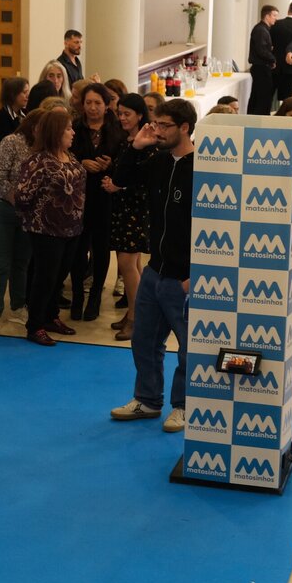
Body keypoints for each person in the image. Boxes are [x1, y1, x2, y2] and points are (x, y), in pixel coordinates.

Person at [108, 99, 196, 434]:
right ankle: (147, 400)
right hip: (154, 271)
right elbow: (121, 179)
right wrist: (136, 146)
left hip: (183, 277)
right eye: (155, 124)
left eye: (164, 125)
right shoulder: (157, 161)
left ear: (184, 127)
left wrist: (196, 275)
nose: (156, 130)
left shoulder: (203, 167)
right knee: (144, 341)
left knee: (188, 349)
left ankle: (183, 405)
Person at [15, 109, 85, 346]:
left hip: (72, 228)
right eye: (68, 128)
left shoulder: (69, 156)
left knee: (59, 277)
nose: (73, 132)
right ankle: (35, 325)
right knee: (45, 278)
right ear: (55, 132)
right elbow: (22, 196)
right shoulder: (38, 161)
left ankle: (51, 316)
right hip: (46, 230)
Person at [0, 110, 43, 335]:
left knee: (21, 262)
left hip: (27, 212)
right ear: (33, 127)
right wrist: (17, 199)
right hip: (3, 209)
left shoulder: (44, 149)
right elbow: (0, 176)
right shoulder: (11, 142)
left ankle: (18, 307)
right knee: (0, 263)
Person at [70, 82, 123, 321]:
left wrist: (110, 165)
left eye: (97, 103)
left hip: (104, 196)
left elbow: (124, 161)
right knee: (78, 249)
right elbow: (65, 155)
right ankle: (77, 296)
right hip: (77, 196)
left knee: (101, 249)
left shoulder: (117, 129)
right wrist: (81, 163)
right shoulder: (74, 127)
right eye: (88, 103)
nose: (92, 108)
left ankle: (94, 298)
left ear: (107, 105)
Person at [101, 93, 151, 341]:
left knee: (127, 264)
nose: (122, 118)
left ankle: (136, 318)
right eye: (119, 113)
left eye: (127, 114)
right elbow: (123, 171)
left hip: (136, 209)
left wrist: (118, 186)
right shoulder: (126, 140)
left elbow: (144, 181)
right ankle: (133, 311)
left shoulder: (147, 143)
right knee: (133, 263)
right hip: (123, 208)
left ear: (140, 115)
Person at [271, 0, 292, 102]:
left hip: (275, 66)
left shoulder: (276, 24)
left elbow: (270, 44)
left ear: (288, 10)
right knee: (287, 100)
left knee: (269, 97)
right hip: (291, 69)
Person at [247, 4, 278, 115]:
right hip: (261, 68)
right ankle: (260, 120)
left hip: (261, 67)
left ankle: (254, 119)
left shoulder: (262, 29)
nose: (276, 18)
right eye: (274, 15)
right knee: (263, 98)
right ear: (267, 16)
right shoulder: (261, 30)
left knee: (258, 97)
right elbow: (261, 50)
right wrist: (273, 59)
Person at [0, 76, 28, 144]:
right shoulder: (2, 115)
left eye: (28, 92)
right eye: (24, 92)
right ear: (13, 94)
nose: (27, 96)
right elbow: (5, 143)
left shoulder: (26, 112)